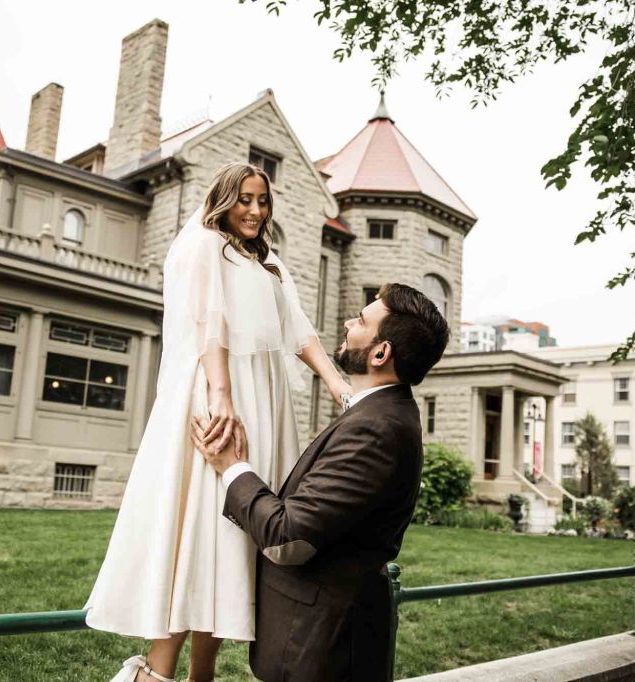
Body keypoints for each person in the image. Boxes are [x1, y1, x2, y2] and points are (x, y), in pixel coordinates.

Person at [83, 162, 351, 682]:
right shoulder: (205, 243)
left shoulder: (270, 262)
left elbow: (300, 333)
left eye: (262, 201)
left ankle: (200, 675)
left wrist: (339, 385)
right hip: (216, 388)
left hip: (263, 399)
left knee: (235, 541)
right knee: (202, 528)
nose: (254, 210)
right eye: (245, 199)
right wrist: (222, 396)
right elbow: (209, 320)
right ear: (224, 199)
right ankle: (155, 673)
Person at [191, 282, 448, 681]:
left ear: (381, 353)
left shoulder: (377, 430)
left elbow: (287, 537)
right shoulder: (381, 414)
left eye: (361, 320)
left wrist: (231, 467)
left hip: (322, 651)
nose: (348, 323)